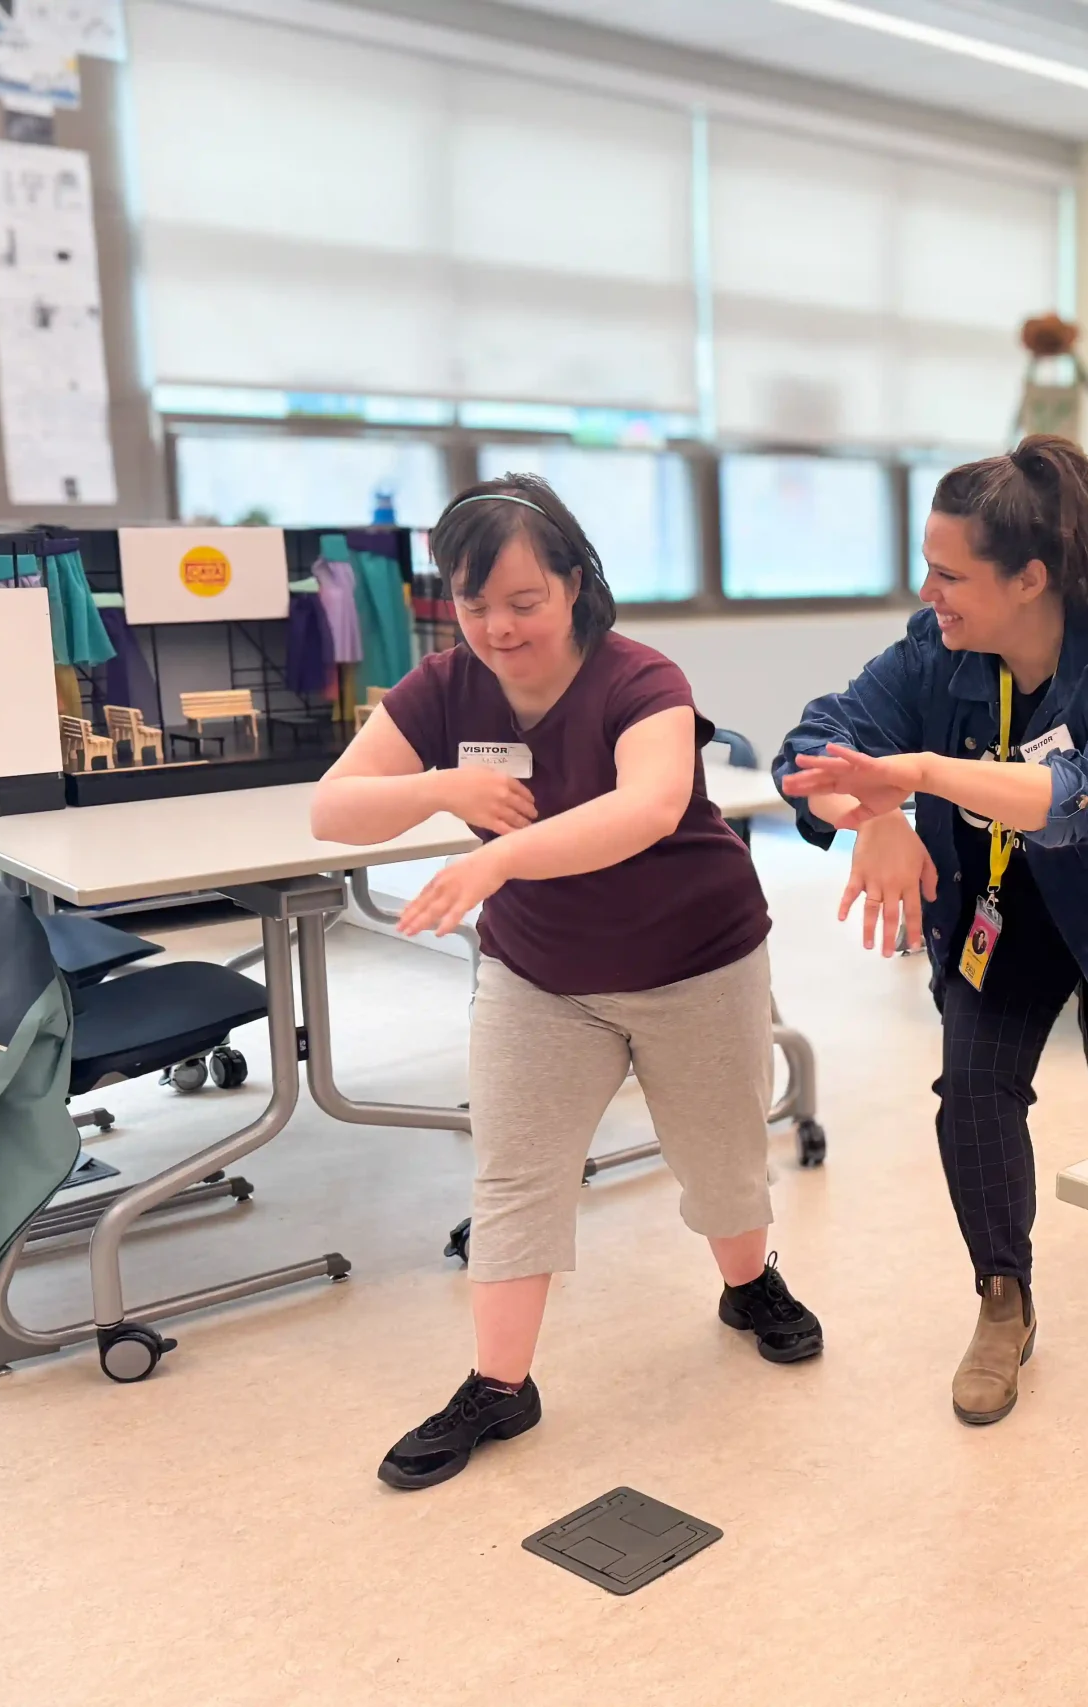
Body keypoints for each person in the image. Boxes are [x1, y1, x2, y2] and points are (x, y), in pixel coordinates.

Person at [311, 473, 821, 1492]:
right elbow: (335, 811)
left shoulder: (642, 680)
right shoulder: (443, 689)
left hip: (695, 958)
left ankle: (749, 1284)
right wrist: (438, 788)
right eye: (472, 604)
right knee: (514, 1174)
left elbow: (647, 807)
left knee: (720, 1163)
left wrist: (498, 857)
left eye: (523, 602)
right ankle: (500, 1386)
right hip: (541, 973)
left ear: (577, 584)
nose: (497, 628)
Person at [775, 436, 1088, 1427]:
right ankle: (1002, 1299)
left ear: (1031, 577)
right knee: (972, 1091)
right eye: (927, 569)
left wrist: (920, 773)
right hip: (1000, 912)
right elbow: (812, 741)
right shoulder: (936, 651)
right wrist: (879, 814)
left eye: (950, 573)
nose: (930, 592)